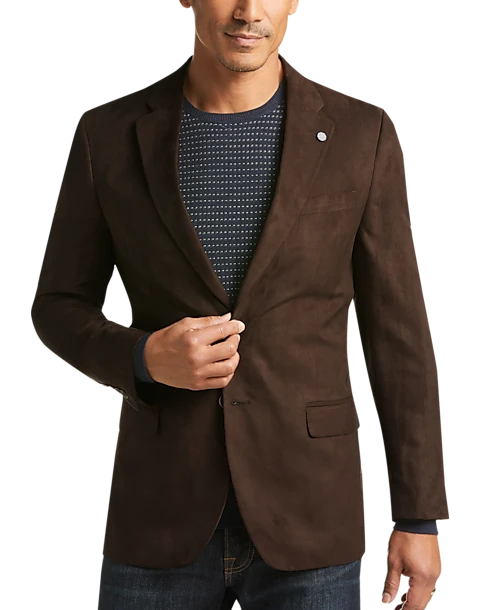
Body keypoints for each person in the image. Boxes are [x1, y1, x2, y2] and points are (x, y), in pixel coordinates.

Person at [31, 1, 449, 608]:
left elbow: (399, 335)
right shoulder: (109, 135)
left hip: (310, 511)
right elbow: (57, 304)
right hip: (160, 510)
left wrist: (419, 516)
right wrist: (143, 358)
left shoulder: (362, 134)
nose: (249, 11)